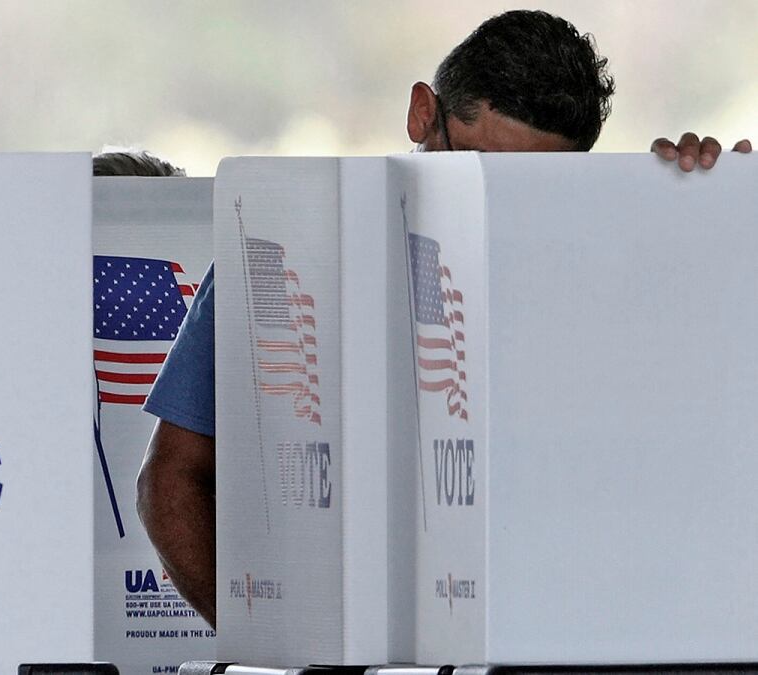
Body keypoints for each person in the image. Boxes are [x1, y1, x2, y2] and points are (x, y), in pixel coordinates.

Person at [135, 9, 752, 630]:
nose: (497, 210)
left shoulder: (610, 263)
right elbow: (171, 483)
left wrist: (709, 217)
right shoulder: (290, 240)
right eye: (478, 172)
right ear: (422, 115)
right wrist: (274, 647)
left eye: (537, 186)